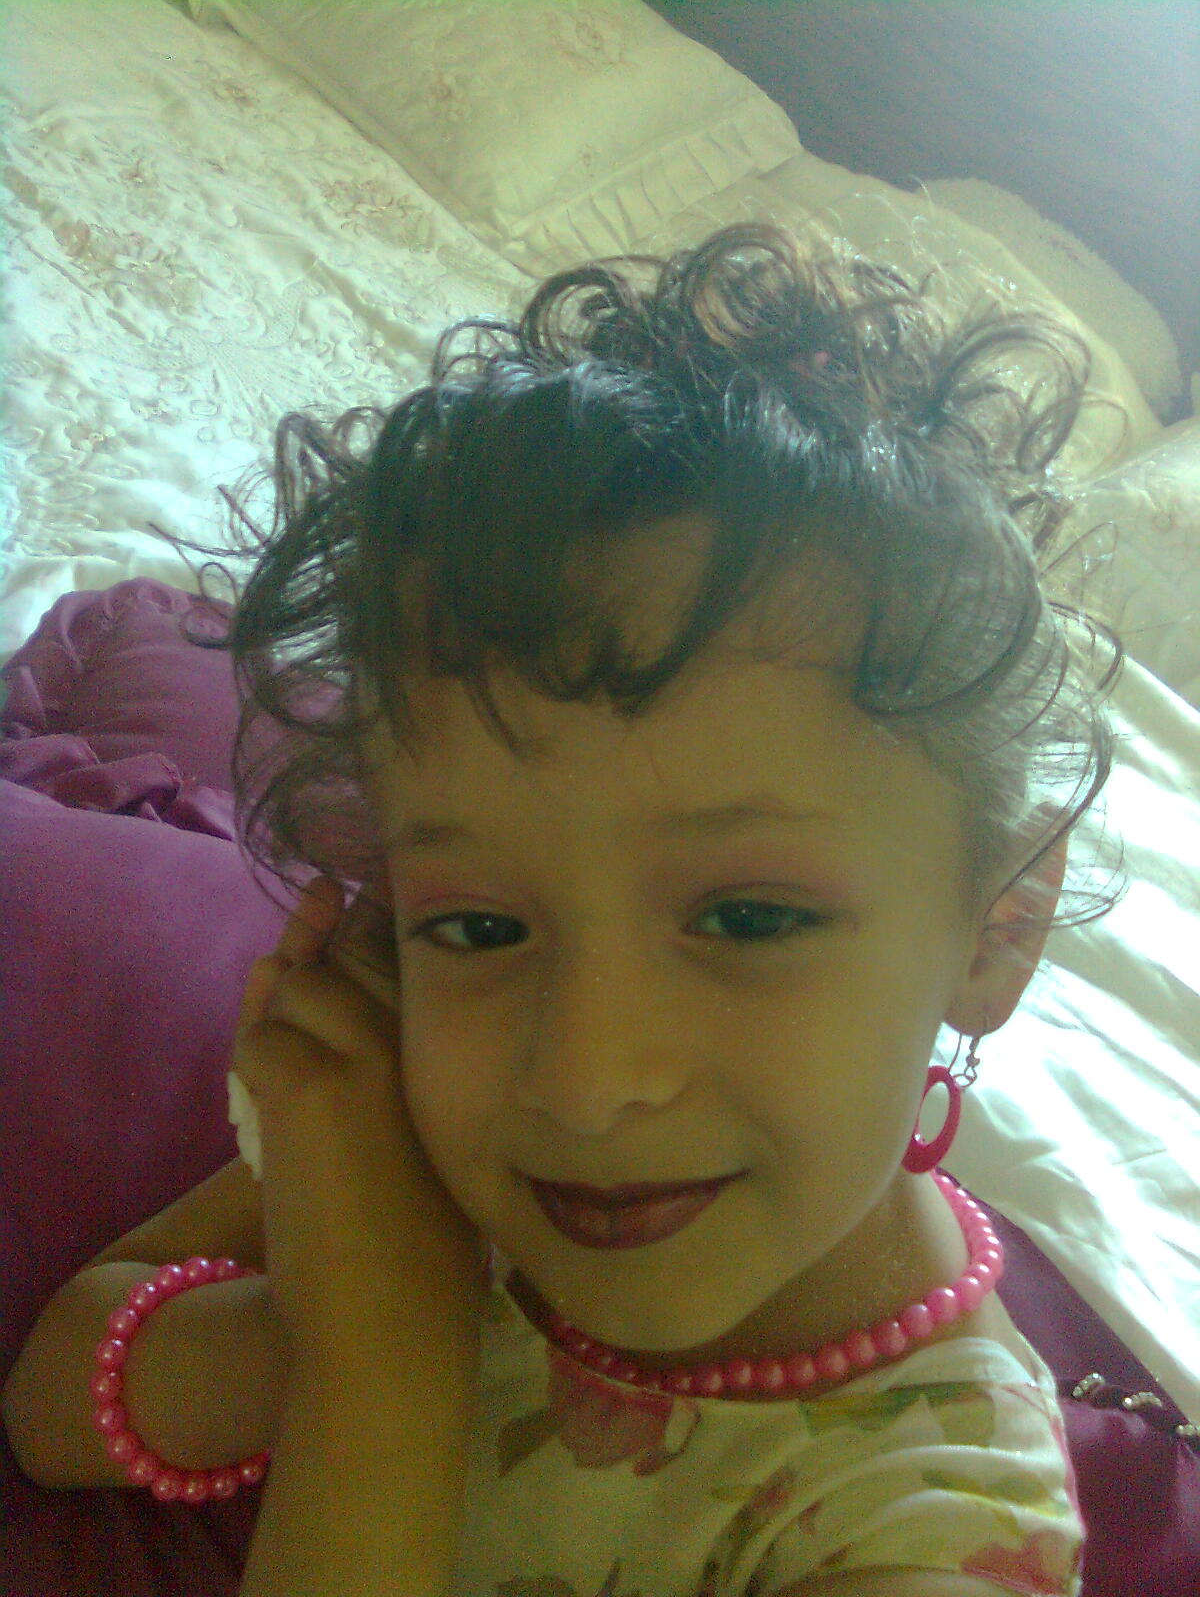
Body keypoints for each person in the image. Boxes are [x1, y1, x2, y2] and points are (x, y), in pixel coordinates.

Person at [3, 222, 1127, 1596]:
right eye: (480, 927)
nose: (588, 1083)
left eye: (749, 918)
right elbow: (58, 1403)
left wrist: (384, 1372)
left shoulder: (928, 1527)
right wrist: (357, 1313)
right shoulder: (429, 1142)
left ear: (999, 926)